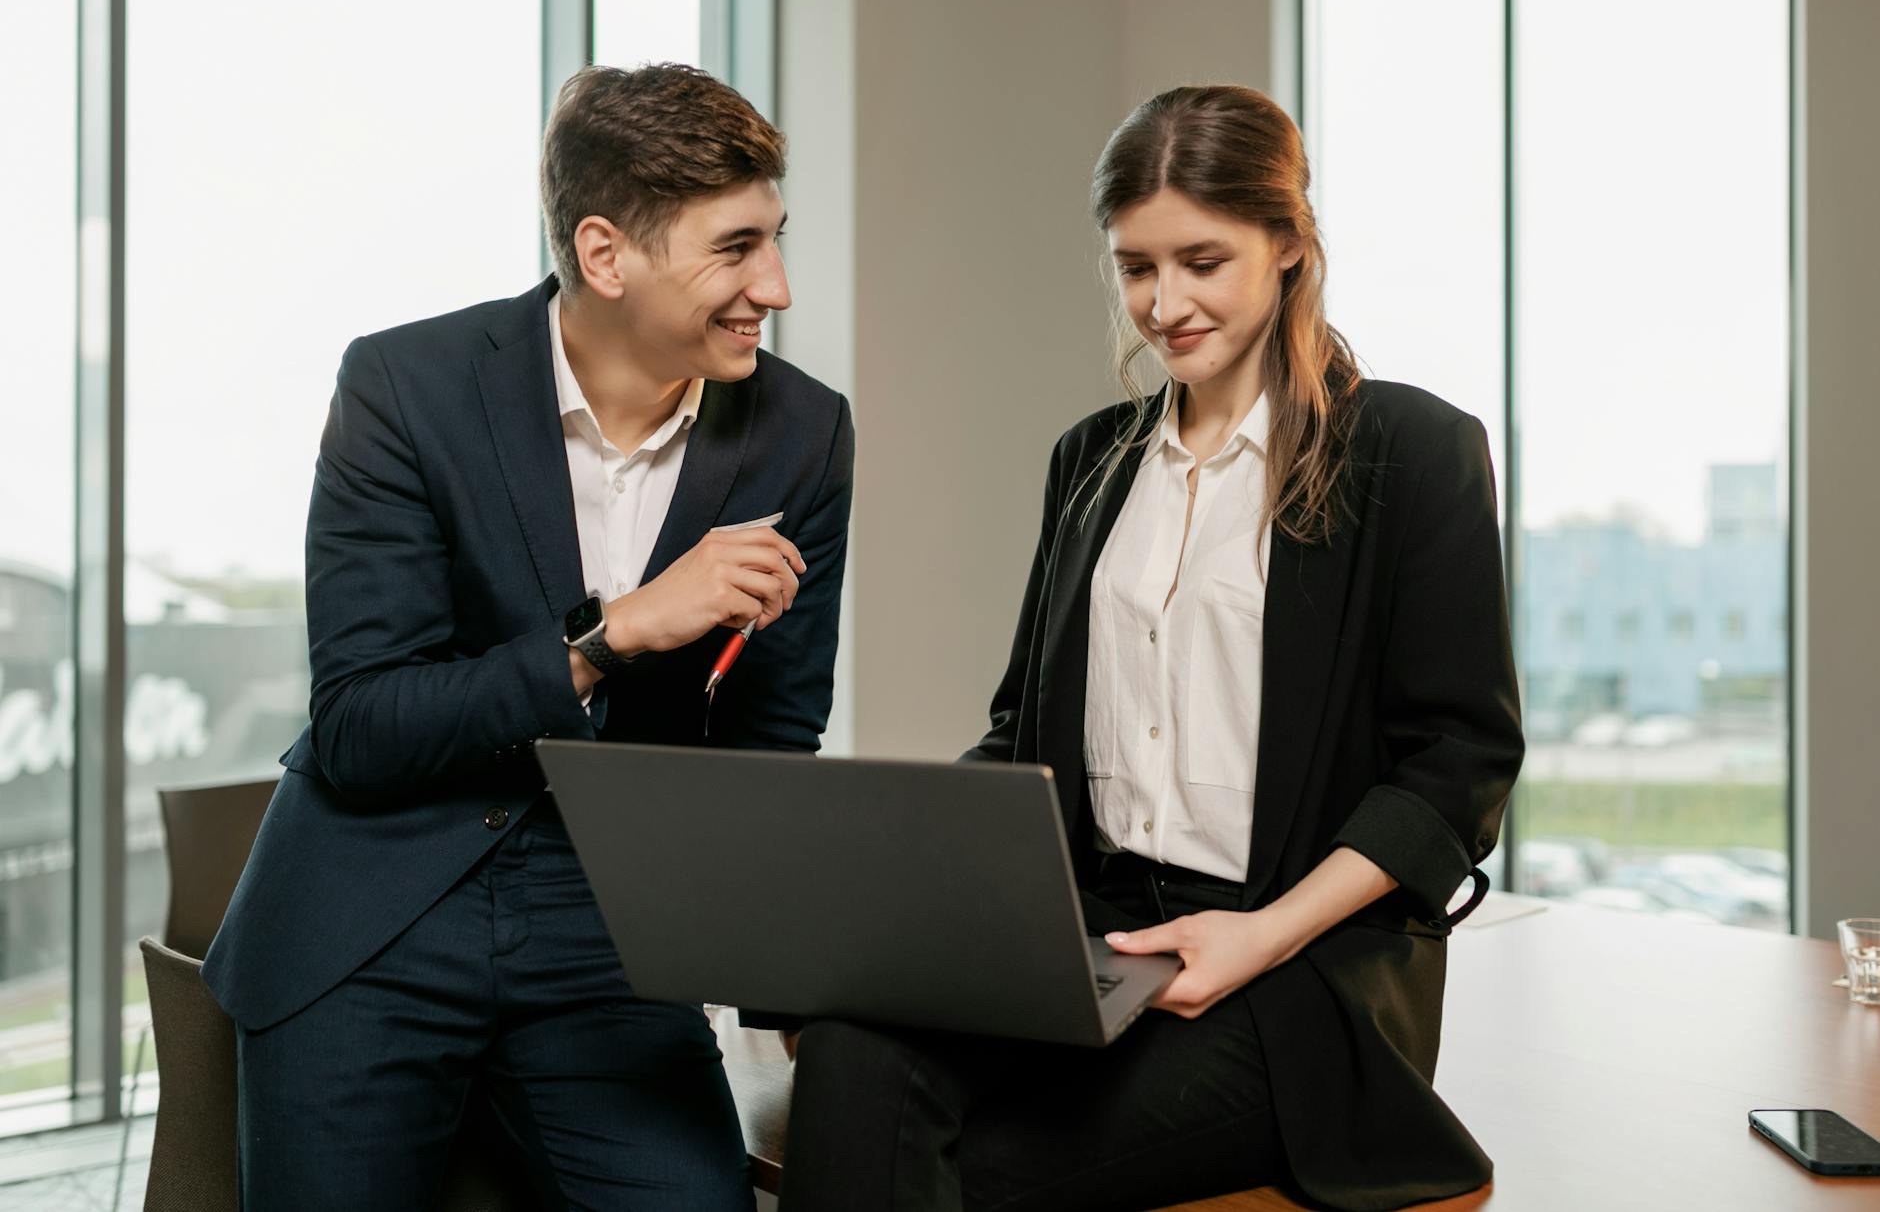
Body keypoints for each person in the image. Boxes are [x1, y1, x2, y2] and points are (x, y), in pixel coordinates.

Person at [778, 85, 1522, 1212]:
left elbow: (1455, 764)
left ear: (1285, 245)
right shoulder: (1088, 460)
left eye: (1199, 260)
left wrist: (1257, 935)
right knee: (849, 1046)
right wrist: (896, 912)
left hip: (1290, 974)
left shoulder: (1411, 452)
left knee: (945, 1167)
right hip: (1088, 938)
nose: (1162, 303)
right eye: (1134, 267)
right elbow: (1019, 729)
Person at [203, 63, 853, 1211]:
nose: (778, 286)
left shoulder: (804, 432)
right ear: (604, 255)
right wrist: (615, 634)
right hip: (374, 906)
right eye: (735, 248)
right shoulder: (405, 386)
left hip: (609, 934)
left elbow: (772, 739)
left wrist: (787, 991)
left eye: (776, 239)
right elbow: (360, 725)